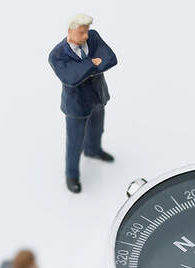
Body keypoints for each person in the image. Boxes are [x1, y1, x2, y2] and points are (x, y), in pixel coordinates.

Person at [49, 13, 118, 194]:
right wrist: (92, 63)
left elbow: (111, 58)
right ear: (70, 31)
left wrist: (84, 70)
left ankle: (93, 150)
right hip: (76, 105)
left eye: (86, 31)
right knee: (74, 142)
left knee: (97, 129)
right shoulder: (56, 55)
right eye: (81, 32)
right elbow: (70, 78)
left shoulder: (93, 37)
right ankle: (71, 174)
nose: (86, 36)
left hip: (97, 96)